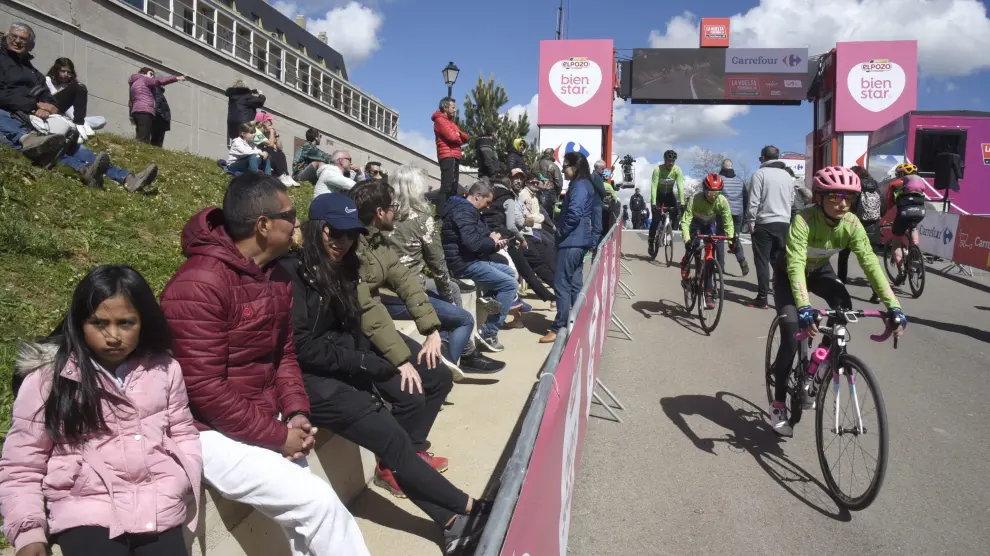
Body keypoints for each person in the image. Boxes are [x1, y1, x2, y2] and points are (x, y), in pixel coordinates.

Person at [159, 174, 370, 556]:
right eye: (290, 214)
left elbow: (283, 355)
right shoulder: (198, 284)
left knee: (311, 520)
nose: (298, 222)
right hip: (208, 432)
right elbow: (204, 391)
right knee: (321, 507)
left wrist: (296, 411)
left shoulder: (275, 275)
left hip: (262, 418)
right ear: (263, 225)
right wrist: (277, 436)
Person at [280, 194, 493, 552]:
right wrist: (372, 364)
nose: (341, 241)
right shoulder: (292, 273)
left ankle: (453, 519)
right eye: (333, 232)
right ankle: (468, 507)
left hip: (340, 371)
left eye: (349, 235)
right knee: (395, 441)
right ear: (315, 228)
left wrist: (372, 362)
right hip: (309, 383)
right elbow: (303, 348)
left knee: (398, 439)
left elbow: (361, 320)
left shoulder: (343, 267)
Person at [0, 264, 202, 556]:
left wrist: (179, 481)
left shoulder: (165, 369)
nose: (112, 336)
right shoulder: (48, 379)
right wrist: (28, 530)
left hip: (158, 506)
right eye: (99, 323)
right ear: (79, 323)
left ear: (144, 322)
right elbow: (22, 464)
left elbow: (184, 432)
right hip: (85, 510)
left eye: (126, 323)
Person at [768, 166, 907, 436]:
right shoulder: (804, 219)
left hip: (819, 270)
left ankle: (820, 361)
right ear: (819, 197)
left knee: (843, 303)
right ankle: (778, 402)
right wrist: (805, 307)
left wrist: (894, 306)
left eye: (847, 197)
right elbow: (796, 264)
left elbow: (870, 264)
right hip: (789, 275)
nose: (841, 203)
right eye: (833, 196)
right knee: (790, 335)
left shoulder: (852, 224)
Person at [384, 166, 505, 374]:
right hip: (408, 292)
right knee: (460, 315)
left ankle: (466, 353)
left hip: (384, 289)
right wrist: (448, 300)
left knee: (454, 290)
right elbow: (438, 266)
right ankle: (453, 356)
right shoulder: (421, 218)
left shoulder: (382, 215)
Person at [441, 179, 515, 352]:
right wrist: (491, 241)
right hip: (463, 264)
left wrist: (494, 240)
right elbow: (473, 243)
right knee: (510, 285)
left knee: (509, 273)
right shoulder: (463, 212)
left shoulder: (469, 211)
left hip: (471, 259)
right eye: (487, 202)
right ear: (477, 196)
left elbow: (478, 237)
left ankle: (489, 298)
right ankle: (489, 332)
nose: (488, 206)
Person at [542, 151, 598, 344]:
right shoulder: (584, 185)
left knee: (561, 284)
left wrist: (560, 232)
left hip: (572, 242)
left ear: (575, 167)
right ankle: (579, 322)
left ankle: (560, 327)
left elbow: (574, 214)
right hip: (578, 242)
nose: (563, 170)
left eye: (565, 166)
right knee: (574, 284)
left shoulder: (580, 186)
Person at [0, 23, 72, 168]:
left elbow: (51, 102)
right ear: (7, 38)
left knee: (73, 147)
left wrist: (46, 109)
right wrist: (34, 105)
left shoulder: (36, 75)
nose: (18, 41)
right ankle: (27, 140)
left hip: (33, 118)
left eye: (23, 39)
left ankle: (118, 174)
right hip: (8, 114)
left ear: (30, 45)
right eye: (14, 36)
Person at [745, 145, 796, 310]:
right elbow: (792, 199)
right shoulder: (788, 176)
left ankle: (762, 298)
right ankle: (788, 295)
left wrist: (751, 220)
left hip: (764, 222)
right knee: (780, 260)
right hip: (784, 222)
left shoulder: (760, 174)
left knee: (762, 261)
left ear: (763, 158)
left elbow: (754, 200)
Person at [680, 173, 735, 310]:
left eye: (716, 193)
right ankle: (686, 264)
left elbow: (728, 221)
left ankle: (708, 292)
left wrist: (731, 240)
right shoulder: (695, 199)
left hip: (710, 224)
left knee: (710, 257)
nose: (713, 196)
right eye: (710, 192)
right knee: (693, 247)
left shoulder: (722, 201)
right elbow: (686, 221)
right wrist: (687, 239)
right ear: (704, 190)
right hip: (695, 224)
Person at [838, 165, 882, 303]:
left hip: (854, 225)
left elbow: (850, 206)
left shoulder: (855, 187)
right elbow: (884, 207)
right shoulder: (876, 188)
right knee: (870, 261)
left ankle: (841, 286)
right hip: (873, 227)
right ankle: (877, 293)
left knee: (843, 256)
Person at [886, 162, 928, 285]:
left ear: (902, 173)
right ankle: (915, 251)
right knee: (913, 227)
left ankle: (901, 273)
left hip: (904, 214)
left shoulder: (896, 183)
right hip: (920, 212)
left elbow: (889, 203)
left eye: (899, 173)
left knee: (896, 242)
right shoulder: (921, 183)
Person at [45, 58, 104, 142]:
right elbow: (48, 101)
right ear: (56, 70)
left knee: (101, 120)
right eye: (63, 71)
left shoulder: (71, 85)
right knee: (78, 87)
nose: (66, 74)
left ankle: (79, 124)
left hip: (66, 116)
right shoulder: (47, 80)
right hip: (51, 111)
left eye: (69, 72)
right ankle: (81, 126)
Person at [128, 67, 183, 145]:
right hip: (145, 110)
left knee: (140, 135)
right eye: (151, 74)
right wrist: (176, 78)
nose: (152, 77)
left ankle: (138, 150)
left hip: (137, 111)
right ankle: (143, 153)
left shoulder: (135, 82)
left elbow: (131, 101)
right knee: (144, 137)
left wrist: (131, 114)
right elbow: (159, 81)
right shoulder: (145, 80)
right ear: (145, 73)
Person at [433, 97, 469, 210]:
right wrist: (458, 135)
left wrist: (459, 135)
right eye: (453, 107)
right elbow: (452, 137)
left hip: (454, 156)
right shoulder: (440, 120)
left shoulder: (450, 122)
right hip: (447, 156)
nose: (455, 109)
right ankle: (438, 215)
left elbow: (466, 137)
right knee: (447, 185)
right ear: (445, 107)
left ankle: (449, 212)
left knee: (453, 187)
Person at [717, 159, 750, 276]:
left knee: (720, 238)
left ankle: (720, 266)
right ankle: (741, 260)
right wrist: (744, 213)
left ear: (722, 167)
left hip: (723, 213)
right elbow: (746, 198)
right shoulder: (740, 181)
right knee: (734, 238)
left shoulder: (719, 179)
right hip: (738, 213)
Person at [649, 150, 685, 247]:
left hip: (669, 195)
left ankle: (668, 230)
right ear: (665, 160)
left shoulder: (677, 170)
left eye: (673, 161)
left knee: (676, 213)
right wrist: (653, 203)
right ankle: (651, 242)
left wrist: (682, 203)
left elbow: (680, 187)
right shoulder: (658, 170)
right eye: (669, 161)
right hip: (658, 196)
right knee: (655, 220)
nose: (671, 163)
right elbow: (654, 187)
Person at [253, 112, 299, 187]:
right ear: (264, 123)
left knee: (280, 153)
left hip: (264, 154)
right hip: (257, 155)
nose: (271, 123)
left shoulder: (267, 133)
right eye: (270, 121)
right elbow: (270, 144)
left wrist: (276, 136)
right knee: (271, 150)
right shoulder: (256, 132)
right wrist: (271, 131)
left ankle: (286, 175)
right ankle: (280, 175)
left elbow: (279, 148)